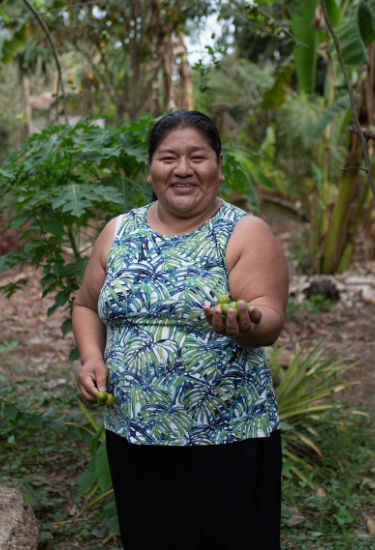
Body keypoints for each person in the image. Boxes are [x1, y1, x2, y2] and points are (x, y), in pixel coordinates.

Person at [72, 110, 289, 550]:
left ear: (219, 166)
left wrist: (245, 324)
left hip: (227, 441)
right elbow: (86, 304)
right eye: (168, 157)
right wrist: (92, 357)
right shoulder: (117, 231)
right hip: (135, 437)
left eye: (198, 157)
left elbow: (268, 319)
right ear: (150, 167)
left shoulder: (244, 232)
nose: (183, 169)